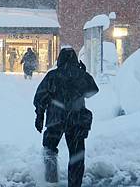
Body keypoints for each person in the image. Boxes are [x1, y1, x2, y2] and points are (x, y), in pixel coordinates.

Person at [33, 47, 99, 186]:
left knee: (49, 150)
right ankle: (74, 184)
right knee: (76, 156)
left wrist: (39, 116)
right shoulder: (81, 75)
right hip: (77, 121)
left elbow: (40, 97)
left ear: (59, 60)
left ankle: (51, 180)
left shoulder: (52, 76)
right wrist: (83, 73)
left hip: (56, 120)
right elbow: (92, 91)